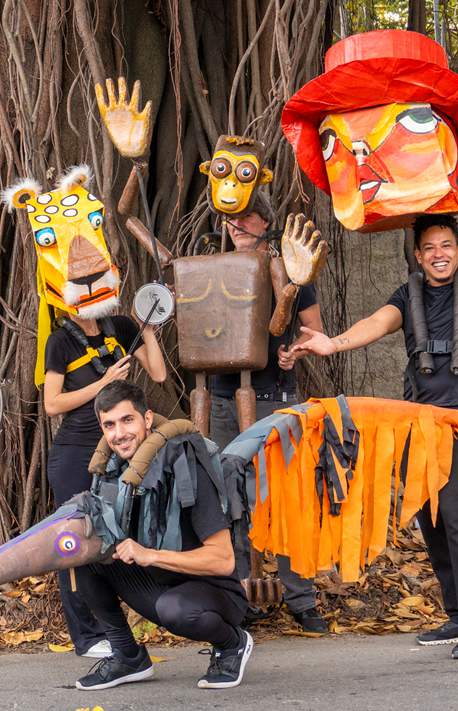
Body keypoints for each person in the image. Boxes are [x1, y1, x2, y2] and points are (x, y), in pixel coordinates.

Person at [293, 129, 458, 659]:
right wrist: (331, 343)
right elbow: (377, 323)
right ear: (419, 257)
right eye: (430, 249)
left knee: (454, 508)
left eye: (447, 246)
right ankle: (456, 616)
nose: (440, 255)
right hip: (417, 420)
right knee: (428, 513)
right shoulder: (409, 295)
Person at [72, 380, 253, 691]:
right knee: (80, 552)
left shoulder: (185, 468)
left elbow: (223, 560)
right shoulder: (113, 472)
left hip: (213, 593)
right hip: (157, 583)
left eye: (127, 420)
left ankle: (232, 643)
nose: (119, 434)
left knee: (177, 610)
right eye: (109, 425)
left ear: (147, 419)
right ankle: (128, 657)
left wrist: (150, 554)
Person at [207, 193, 329, 634]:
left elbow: (312, 329)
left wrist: (296, 351)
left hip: (276, 397)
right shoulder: (213, 268)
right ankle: (236, 596)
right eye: (230, 218)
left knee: (287, 496)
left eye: (246, 216)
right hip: (221, 397)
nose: (237, 225)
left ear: (265, 221)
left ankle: (301, 598)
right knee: (229, 501)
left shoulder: (294, 267)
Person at [43, 313, 166, 657]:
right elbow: (52, 404)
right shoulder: (61, 341)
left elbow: (158, 374)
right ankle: (86, 636)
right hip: (74, 454)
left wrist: (151, 332)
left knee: (114, 535)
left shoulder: (122, 328)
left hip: (117, 453)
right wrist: (105, 383)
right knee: (75, 541)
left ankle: (117, 628)